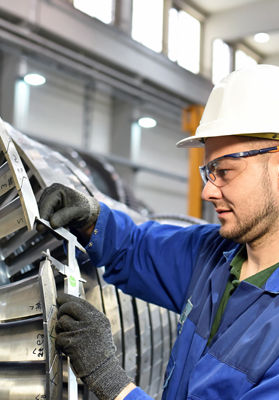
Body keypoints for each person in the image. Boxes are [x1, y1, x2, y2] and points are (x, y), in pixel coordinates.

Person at [38, 64, 279, 400]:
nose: (207, 191)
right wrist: (92, 219)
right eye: (208, 171)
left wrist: (114, 385)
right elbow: (135, 248)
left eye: (223, 171)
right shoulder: (214, 254)